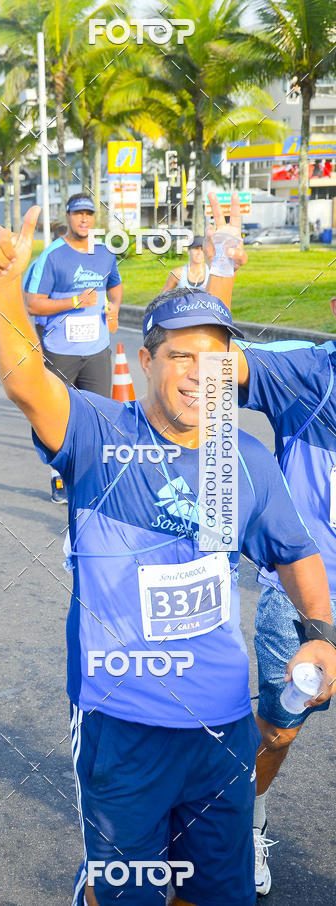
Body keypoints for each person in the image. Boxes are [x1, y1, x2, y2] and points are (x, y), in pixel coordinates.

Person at [0, 207, 336, 906]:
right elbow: (26, 381)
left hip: (222, 728)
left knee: (216, 893)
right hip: (122, 721)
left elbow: (295, 552)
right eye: (180, 356)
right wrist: (6, 291)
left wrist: (320, 634)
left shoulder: (244, 458)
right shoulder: (101, 433)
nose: (200, 374)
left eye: (215, 357)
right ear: (145, 361)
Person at [204, 192, 336, 896]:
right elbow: (210, 363)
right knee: (280, 728)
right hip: (308, 602)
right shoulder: (307, 376)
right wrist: (223, 258)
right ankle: (244, 822)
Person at [25, 193, 122, 503]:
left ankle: (93, 476)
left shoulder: (105, 253)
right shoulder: (53, 255)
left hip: (96, 349)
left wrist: (114, 309)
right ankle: (58, 476)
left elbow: (115, 285)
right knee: (59, 414)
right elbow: (33, 303)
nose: (84, 219)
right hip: (60, 350)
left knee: (98, 414)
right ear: (67, 217)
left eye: (89, 214)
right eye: (78, 213)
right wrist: (75, 301)